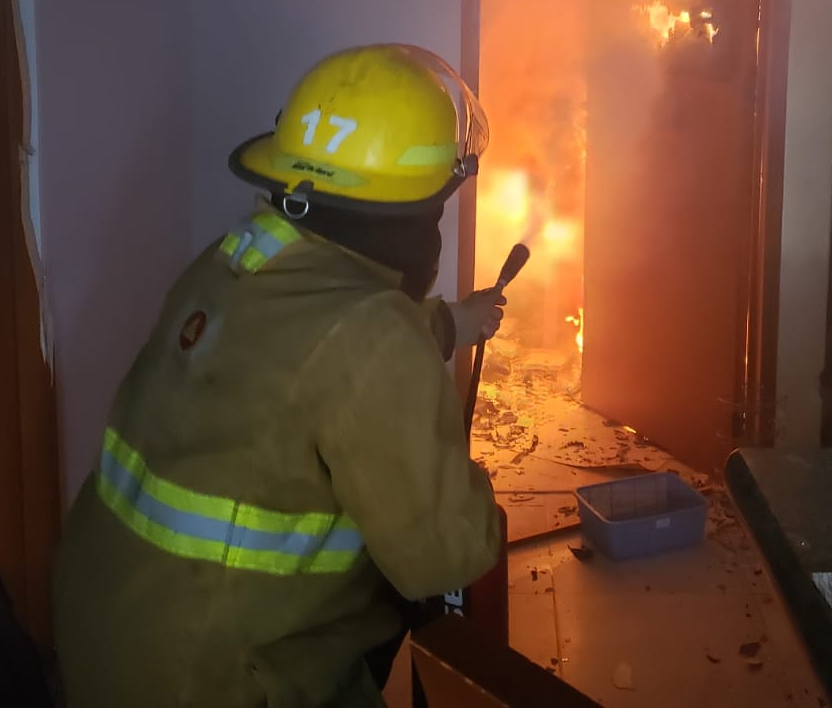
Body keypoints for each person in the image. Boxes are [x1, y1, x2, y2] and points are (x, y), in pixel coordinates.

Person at [53, 44, 508, 708]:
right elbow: (445, 556)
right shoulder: (373, 337)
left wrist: (452, 323)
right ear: (420, 208)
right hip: (213, 679)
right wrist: (471, 493)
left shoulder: (236, 260)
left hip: (107, 632)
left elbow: (313, 350)